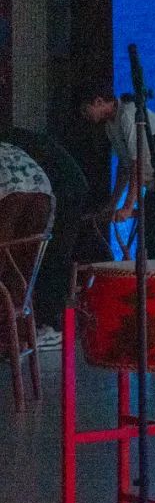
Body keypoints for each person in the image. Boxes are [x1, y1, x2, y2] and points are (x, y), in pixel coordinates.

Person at [78, 88, 155, 260]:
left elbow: (138, 164)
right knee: (148, 247)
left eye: (86, 110)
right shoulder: (110, 125)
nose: (85, 116)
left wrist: (128, 206)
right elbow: (124, 167)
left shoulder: (128, 116)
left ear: (99, 102)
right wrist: (113, 204)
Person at [0, 127, 89, 349]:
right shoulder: (17, 140)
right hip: (47, 188)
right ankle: (25, 333)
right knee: (25, 270)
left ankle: (45, 327)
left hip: (47, 188)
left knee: (24, 265)